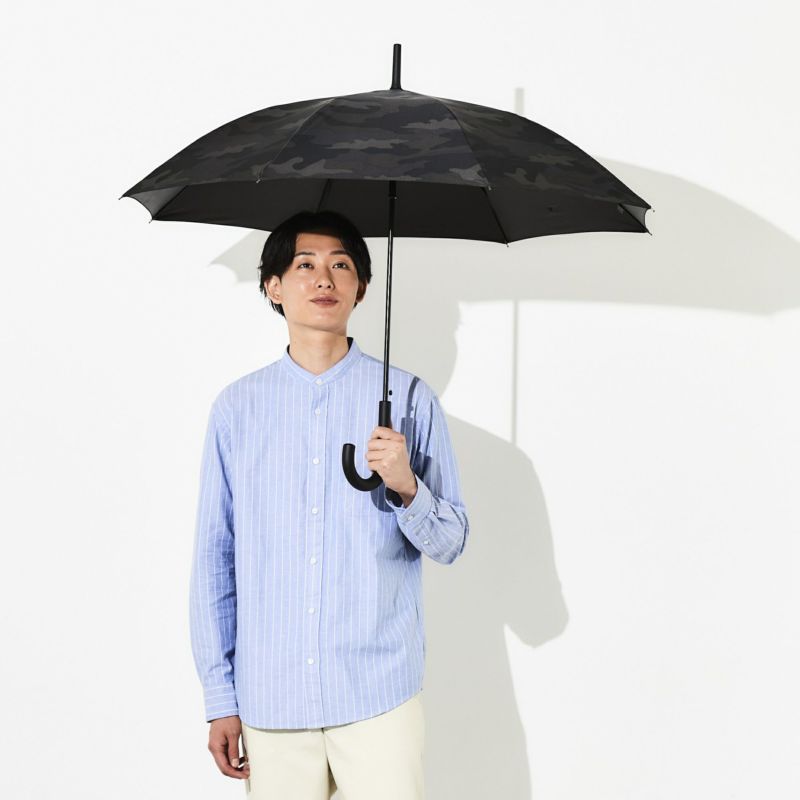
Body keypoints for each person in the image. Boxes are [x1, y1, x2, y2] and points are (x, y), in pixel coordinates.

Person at [189, 209, 469, 799]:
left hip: (378, 694)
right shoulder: (237, 409)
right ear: (274, 287)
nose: (324, 279)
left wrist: (407, 486)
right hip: (272, 698)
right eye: (305, 265)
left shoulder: (408, 399)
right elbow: (216, 559)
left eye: (341, 265)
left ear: (361, 288)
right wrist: (220, 697)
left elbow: (450, 542)